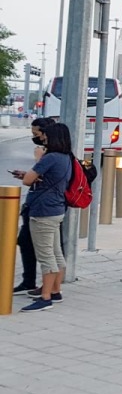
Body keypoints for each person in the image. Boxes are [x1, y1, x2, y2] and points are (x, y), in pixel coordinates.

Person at [14, 123, 74, 311]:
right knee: (56, 253)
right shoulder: (66, 158)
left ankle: (45, 297)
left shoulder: (49, 158)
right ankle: (56, 291)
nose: (43, 139)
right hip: (56, 210)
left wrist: (39, 159)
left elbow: (27, 180)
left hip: (43, 212)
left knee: (46, 256)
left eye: (45, 136)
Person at [13, 118, 57, 294]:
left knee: (48, 251)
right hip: (37, 205)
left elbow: (33, 180)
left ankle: (49, 292)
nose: (35, 138)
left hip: (45, 209)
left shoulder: (53, 155)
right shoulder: (50, 154)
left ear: (45, 133)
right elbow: (42, 179)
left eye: (36, 134)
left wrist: (38, 160)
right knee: (26, 242)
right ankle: (31, 281)